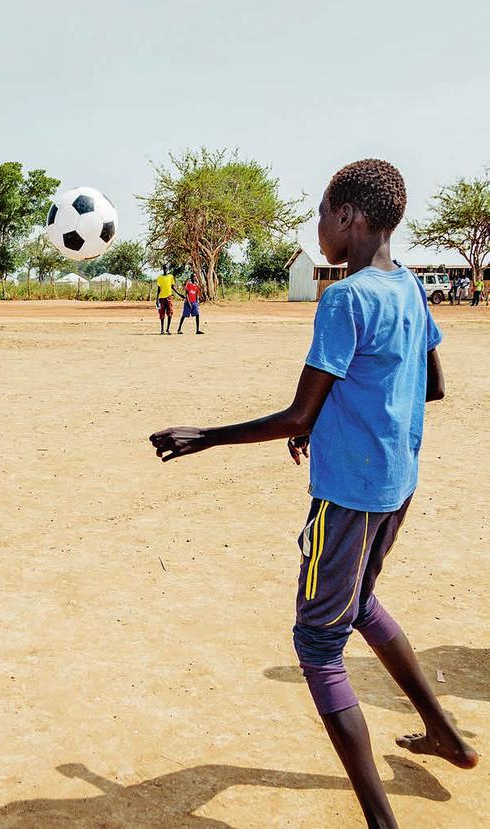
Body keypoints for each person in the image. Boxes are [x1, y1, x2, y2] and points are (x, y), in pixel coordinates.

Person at [150, 159, 478, 829]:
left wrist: (204, 435)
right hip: (394, 485)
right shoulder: (409, 287)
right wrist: (336, 420)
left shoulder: (347, 298)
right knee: (360, 603)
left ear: (351, 217)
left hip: (348, 495)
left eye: (324, 214)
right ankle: (444, 732)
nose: (319, 227)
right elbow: (431, 385)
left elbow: (300, 414)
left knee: (318, 644)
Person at [155, 267, 177, 335]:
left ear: (168, 269)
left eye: (166, 269)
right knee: (162, 314)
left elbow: (172, 287)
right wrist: (156, 299)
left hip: (169, 297)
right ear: (163, 269)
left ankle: (168, 329)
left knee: (170, 313)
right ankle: (162, 329)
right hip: (161, 298)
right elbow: (158, 289)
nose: (165, 270)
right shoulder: (159, 278)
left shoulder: (171, 277)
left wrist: (179, 294)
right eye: (164, 269)